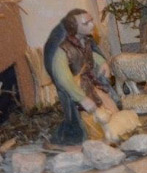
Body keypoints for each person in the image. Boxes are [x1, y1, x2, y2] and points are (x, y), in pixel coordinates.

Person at [43, 9, 118, 145]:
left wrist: (102, 62)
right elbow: (64, 78)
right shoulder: (63, 50)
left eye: (91, 21)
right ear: (73, 27)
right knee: (94, 122)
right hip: (78, 89)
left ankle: (113, 134)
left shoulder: (85, 41)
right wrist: (82, 98)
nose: (92, 25)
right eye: (86, 23)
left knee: (113, 111)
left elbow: (89, 55)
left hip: (91, 83)